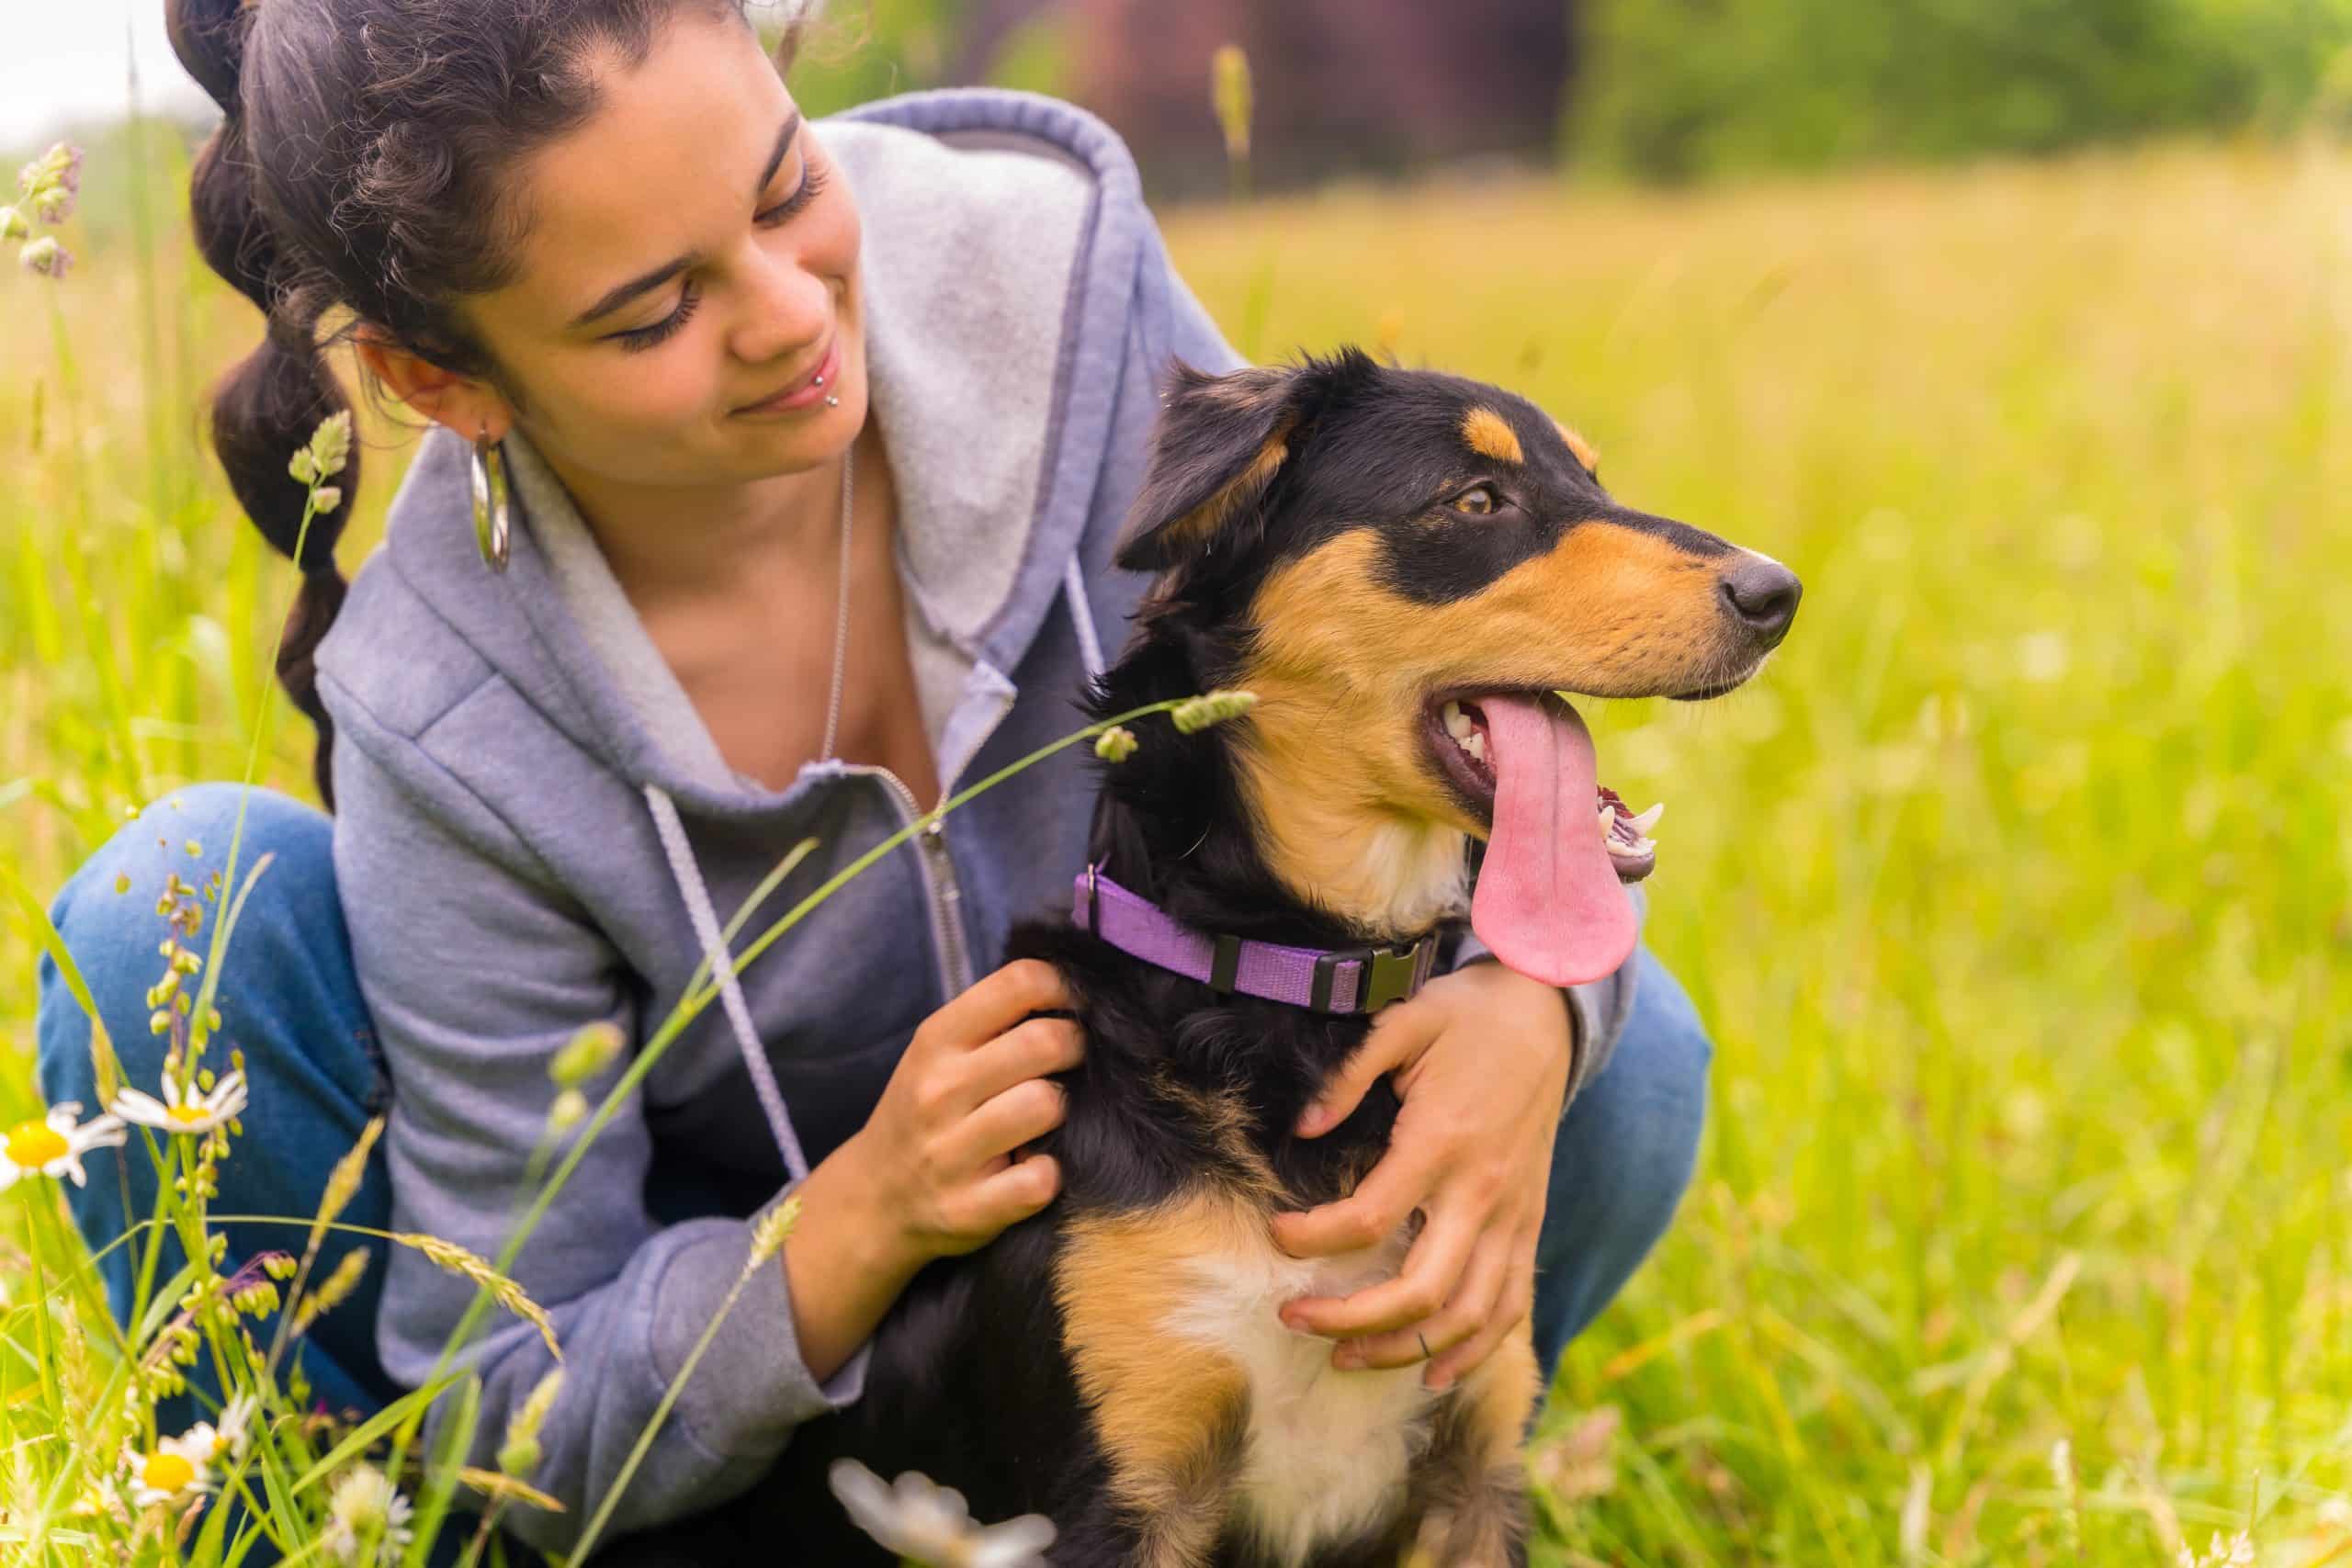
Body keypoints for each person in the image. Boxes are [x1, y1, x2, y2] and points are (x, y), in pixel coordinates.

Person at [37, 0, 1714, 1555]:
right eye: (652, 312)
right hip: (732, 1286)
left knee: (1620, 1061)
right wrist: (851, 1226)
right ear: (439, 381)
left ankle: (1349, 1484)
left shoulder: (1048, 278)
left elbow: (1355, 669)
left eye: (784, 190)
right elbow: (510, 1403)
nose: (788, 316)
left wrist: (1539, 1005)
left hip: (1206, 1131)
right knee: (164, 915)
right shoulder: (444, 695)